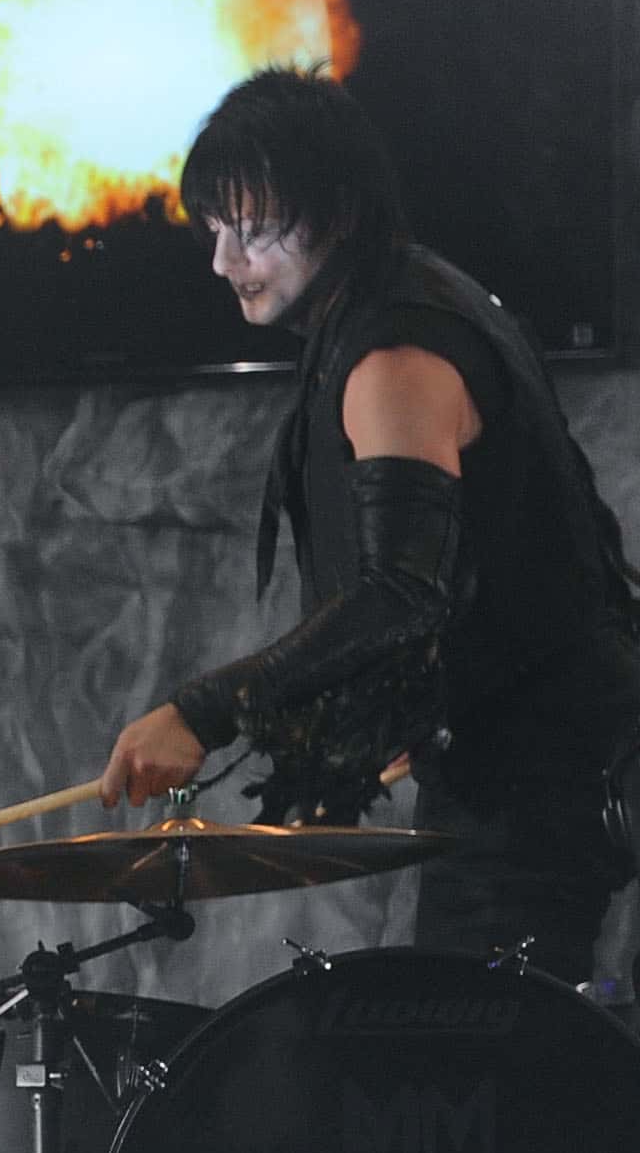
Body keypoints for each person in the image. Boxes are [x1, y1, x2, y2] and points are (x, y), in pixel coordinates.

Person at [99, 68, 640, 982]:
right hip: (538, 768)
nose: (224, 262)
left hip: (547, 779)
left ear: (337, 214)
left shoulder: (396, 351)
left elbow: (400, 592)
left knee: (484, 1080)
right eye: (216, 230)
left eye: (255, 230)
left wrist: (201, 710)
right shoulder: (405, 298)